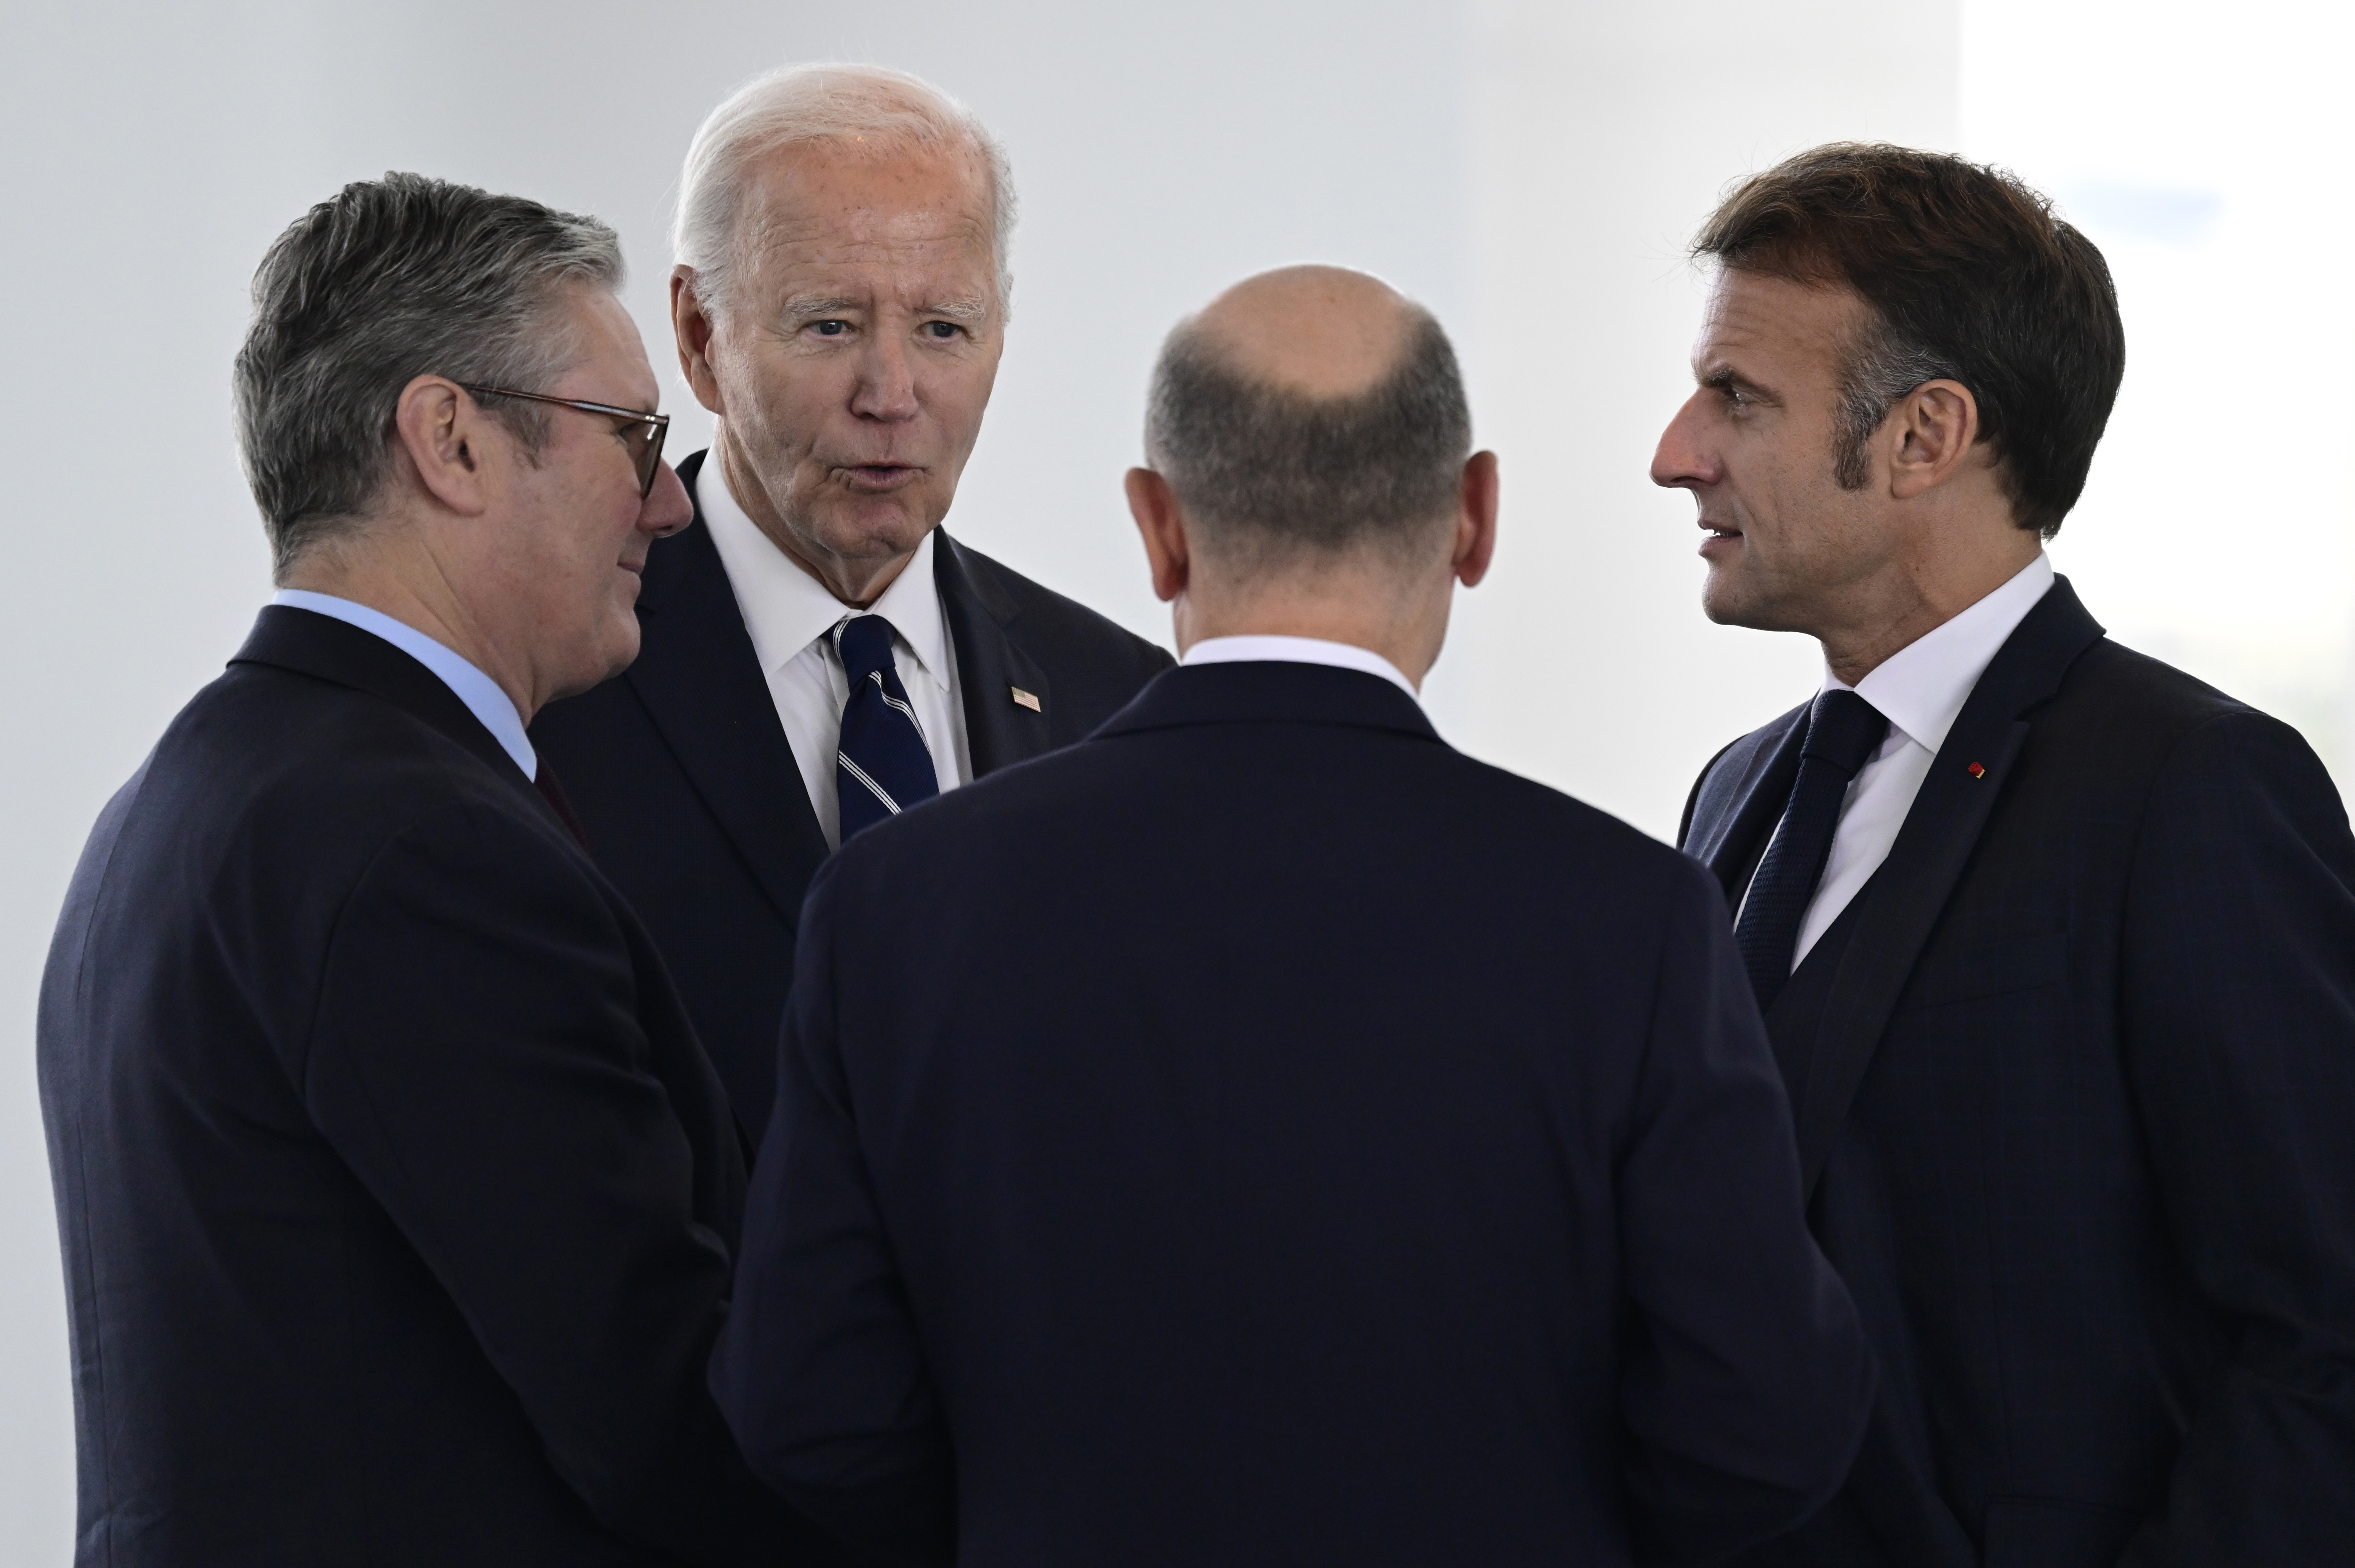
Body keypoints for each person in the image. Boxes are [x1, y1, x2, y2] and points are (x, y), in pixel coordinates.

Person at [712, 264, 1876, 1567]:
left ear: (1156, 528)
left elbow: (808, 1413)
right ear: (1474, 519)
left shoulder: (893, 901)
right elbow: (1759, 1425)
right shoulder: (1628, 916)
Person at [37, 174, 844, 1566]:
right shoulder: (426, 851)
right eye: (634, 437)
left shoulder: (169, 811)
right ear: (452, 440)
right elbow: (669, 1427)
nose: (666, 503)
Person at [1656, 143, 2355, 1566]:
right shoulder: (1736, 795)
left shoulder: (2195, 790)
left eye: (1738, 397)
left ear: (1924, 436)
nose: (1676, 451)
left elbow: (2326, 1339)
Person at [531, 64, 1171, 1142]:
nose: (891, 395)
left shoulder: (1122, 703)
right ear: (699, 338)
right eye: (829, 326)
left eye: (943, 331)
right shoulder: (552, 685)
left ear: (1002, 332)